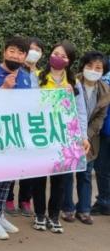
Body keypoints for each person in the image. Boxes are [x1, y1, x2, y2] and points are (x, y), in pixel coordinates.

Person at [29, 41, 89, 234]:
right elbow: (30, 103)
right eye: (56, 53)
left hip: (64, 137)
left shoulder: (74, 83)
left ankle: (54, 216)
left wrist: (83, 136)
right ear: (50, 55)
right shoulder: (37, 76)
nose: (58, 58)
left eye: (63, 56)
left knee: (60, 180)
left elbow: (80, 112)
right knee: (39, 178)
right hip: (41, 133)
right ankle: (39, 214)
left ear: (69, 61)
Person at [0, 37, 32, 240]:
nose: (15, 56)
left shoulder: (26, 77)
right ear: (4, 52)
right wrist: (4, 88)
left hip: (15, 133)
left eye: (20, 53)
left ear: (25, 57)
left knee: (8, 176)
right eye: (12, 51)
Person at [62, 51, 110, 224]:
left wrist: (86, 136)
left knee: (86, 173)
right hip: (69, 134)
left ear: (103, 71)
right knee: (68, 174)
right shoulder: (71, 82)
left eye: (98, 67)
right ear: (83, 66)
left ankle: (84, 209)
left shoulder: (105, 90)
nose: (93, 70)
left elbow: (100, 117)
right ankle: (67, 208)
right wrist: (75, 133)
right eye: (89, 66)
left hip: (90, 139)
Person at [6, 37, 45, 216]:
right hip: (14, 124)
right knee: (11, 163)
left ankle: (25, 200)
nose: (33, 52)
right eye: (31, 49)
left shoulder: (42, 74)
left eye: (38, 49)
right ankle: (8, 199)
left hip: (34, 125)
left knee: (29, 165)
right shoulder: (14, 70)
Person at [92, 70, 110, 216]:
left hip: (106, 130)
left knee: (103, 168)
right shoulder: (105, 79)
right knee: (102, 168)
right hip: (105, 130)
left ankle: (104, 201)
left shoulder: (105, 79)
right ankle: (104, 201)